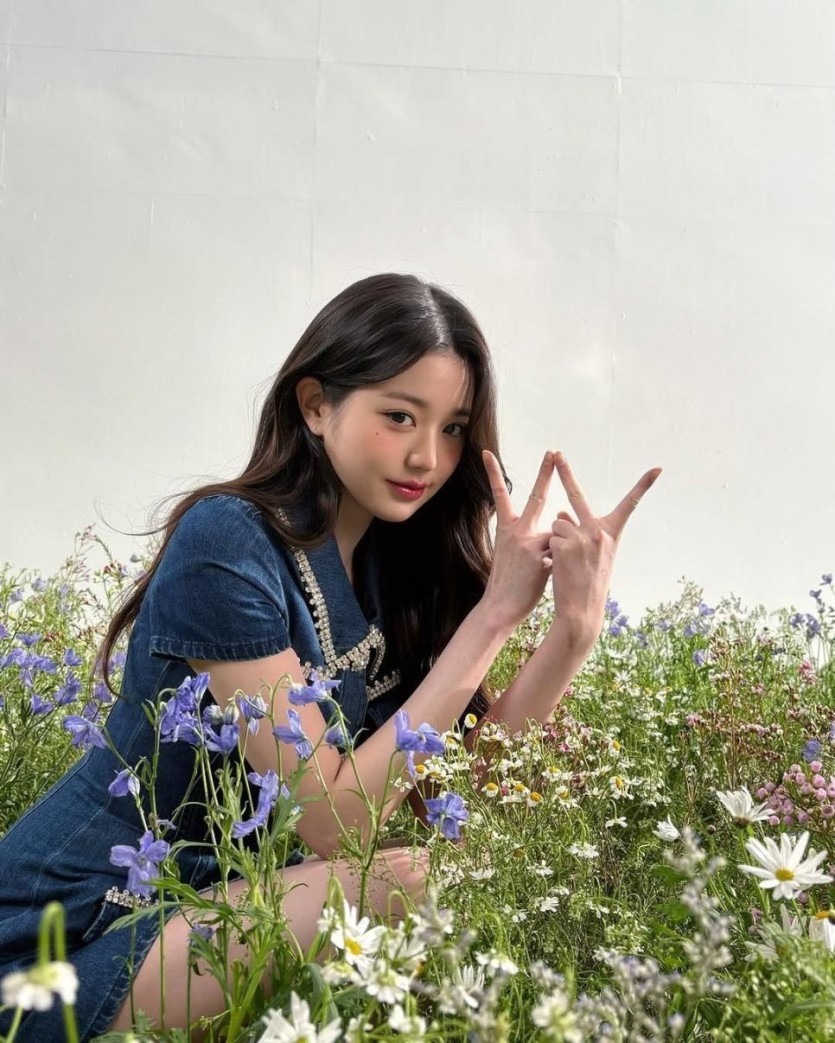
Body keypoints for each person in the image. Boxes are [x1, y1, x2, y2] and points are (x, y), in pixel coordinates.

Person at [0, 272, 660, 1040]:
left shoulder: (397, 567)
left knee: (466, 874)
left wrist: (571, 632)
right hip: (60, 951)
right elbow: (331, 820)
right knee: (412, 884)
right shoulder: (228, 541)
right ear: (315, 405)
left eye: (452, 427)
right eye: (399, 416)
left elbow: (462, 808)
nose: (427, 455)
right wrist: (495, 616)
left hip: (211, 914)